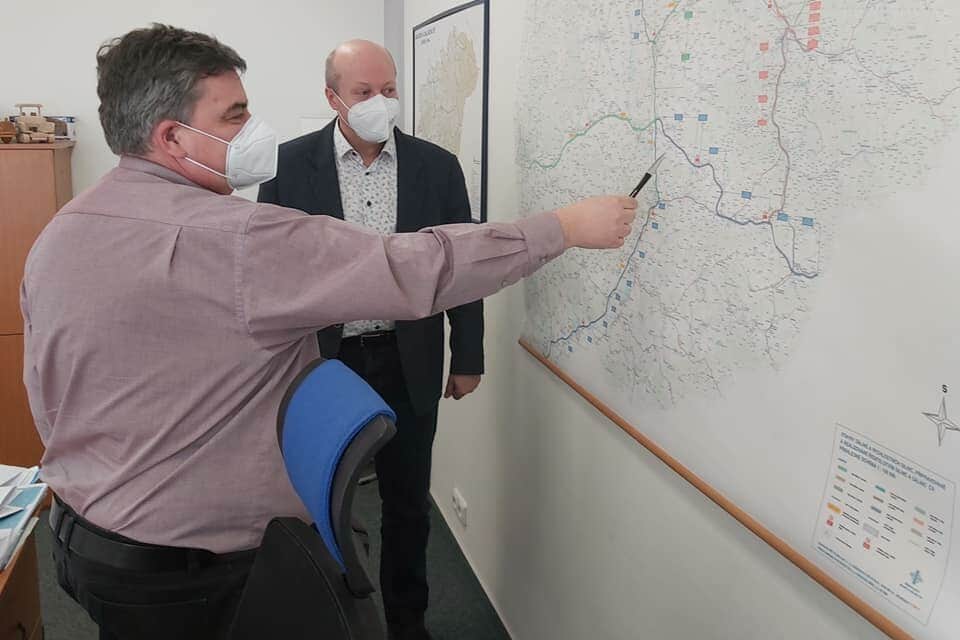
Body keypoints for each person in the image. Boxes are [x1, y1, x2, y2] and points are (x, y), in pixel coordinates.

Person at [21, 24, 637, 640]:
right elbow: (413, 267)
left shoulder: (60, 233)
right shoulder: (239, 239)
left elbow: (49, 393)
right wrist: (561, 227)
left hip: (87, 545)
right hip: (204, 576)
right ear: (172, 136)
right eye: (234, 114)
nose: (252, 128)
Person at [257, 39, 481, 639]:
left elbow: (462, 267)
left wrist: (468, 355)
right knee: (318, 505)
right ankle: (331, 621)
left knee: (408, 506)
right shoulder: (286, 167)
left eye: (389, 89)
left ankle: (408, 624)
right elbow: (271, 273)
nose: (380, 102)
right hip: (323, 364)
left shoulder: (437, 167)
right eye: (363, 92)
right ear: (333, 97)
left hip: (408, 358)